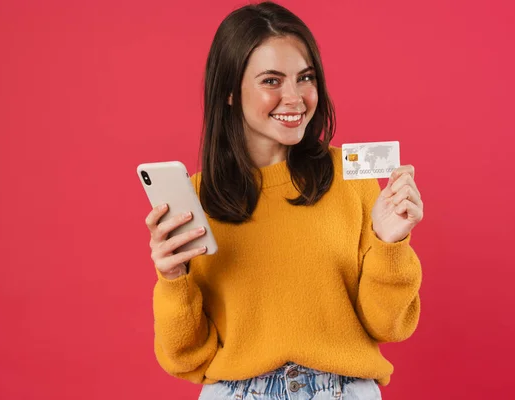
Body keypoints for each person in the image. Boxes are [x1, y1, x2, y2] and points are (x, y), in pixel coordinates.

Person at [144, 2, 424, 399]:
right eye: (271, 81)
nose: (294, 98)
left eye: (305, 78)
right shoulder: (194, 201)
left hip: (344, 390)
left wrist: (390, 244)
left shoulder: (352, 177)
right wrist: (174, 281)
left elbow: (389, 326)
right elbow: (185, 358)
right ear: (228, 91)